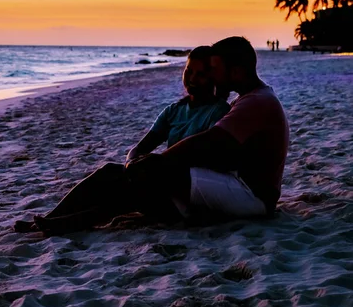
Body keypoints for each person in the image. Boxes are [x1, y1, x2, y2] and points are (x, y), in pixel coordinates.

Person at [14, 46, 230, 235]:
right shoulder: (174, 111)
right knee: (110, 171)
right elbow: (140, 148)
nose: (192, 79)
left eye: (200, 75)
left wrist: (154, 169)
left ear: (213, 79)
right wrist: (132, 164)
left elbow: (207, 158)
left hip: (184, 196)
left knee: (128, 193)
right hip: (159, 182)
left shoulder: (218, 111)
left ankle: (65, 224)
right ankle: (52, 217)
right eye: (188, 71)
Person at [127, 36, 289, 220]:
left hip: (251, 195)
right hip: (242, 187)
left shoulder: (257, 101)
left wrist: (157, 161)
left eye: (214, 69)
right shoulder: (250, 98)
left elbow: (208, 141)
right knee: (136, 175)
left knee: (158, 174)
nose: (212, 75)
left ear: (235, 72)